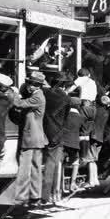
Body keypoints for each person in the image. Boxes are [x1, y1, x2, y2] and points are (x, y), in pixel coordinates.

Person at [11, 71, 48, 214]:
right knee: (35, 169)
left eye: (33, 84)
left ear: (38, 85)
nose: (29, 86)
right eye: (29, 83)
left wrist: (14, 91)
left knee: (24, 169)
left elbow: (18, 103)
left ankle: (21, 198)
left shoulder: (37, 97)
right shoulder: (37, 96)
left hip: (30, 138)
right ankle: (35, 197)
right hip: (37, 138)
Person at [41, 72, 72, 205]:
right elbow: (65, 117)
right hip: (57, 133)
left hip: (42, 131)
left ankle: (39, 193)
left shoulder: (44, 93)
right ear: (63, 84)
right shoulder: (66, 98)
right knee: (52, 164)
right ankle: (48, 195)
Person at [87, 95, 110, 189]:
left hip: (93, 136)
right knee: (95, 159)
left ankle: (91, 180)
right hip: (100, 138)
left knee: (90, 160)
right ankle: (95, 179)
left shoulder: (95, 110)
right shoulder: (106, 113)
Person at [62, 98, 84, 193]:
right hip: (74, 143)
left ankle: (60, 184)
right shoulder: (81, 117)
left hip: (63, 142)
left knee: (61, 162)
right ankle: (72, 183)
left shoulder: (65, 115)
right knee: (75, 162)